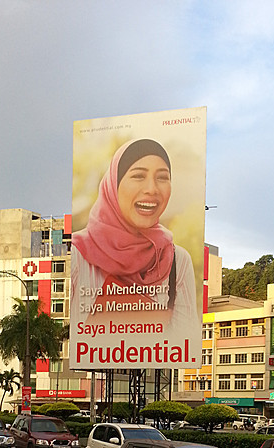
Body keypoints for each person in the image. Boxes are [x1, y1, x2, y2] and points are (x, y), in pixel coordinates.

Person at [71, 138, 200, 339]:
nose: (152, 189)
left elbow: (184, 338)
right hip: (94, 364)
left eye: (162, 177)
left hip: (154, 364)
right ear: (114, 184)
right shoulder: (78, 253)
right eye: (139, 176)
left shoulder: (177, 260)